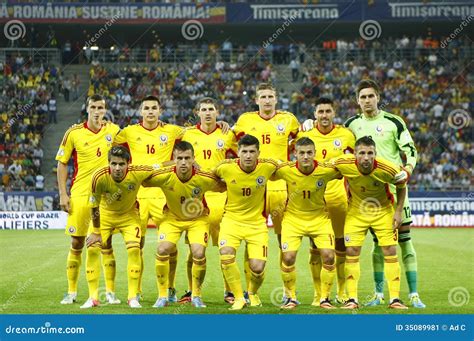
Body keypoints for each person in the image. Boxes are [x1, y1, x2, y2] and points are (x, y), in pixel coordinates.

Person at [344, 79, 424, 308]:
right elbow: (336, 144)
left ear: (378, 97)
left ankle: (414, 294)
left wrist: (407, 170)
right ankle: (379, 294)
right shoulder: (351, 125)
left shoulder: (393, 122)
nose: (367, 100)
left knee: (405, 242)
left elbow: (410, 149)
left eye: (371, 96)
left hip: (395, 189)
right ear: (357, 101)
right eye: (363, 97)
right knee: (378, 245)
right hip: (366, 194)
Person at [113, 95, 184, 303]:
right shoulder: (128, 132)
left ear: (160, 111)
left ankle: (170, 288)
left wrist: (163, 165)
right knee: (137, 243)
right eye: (147, 108)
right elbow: (108, 144)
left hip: (164, 194)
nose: (150, 111)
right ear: (141, 111)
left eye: (154, 108)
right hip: (137, 194)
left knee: (169, 244)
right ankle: (138, 289)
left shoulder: (172, 131)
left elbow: (197, 135)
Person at [233, 83, 299, 296]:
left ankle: (289, 294)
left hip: (280, 187)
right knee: (248, 238)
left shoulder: (288, 119)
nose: (267, 100)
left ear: (276, 99)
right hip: (253, 189)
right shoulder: (245, 120)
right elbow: (230, 143)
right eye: (263, 96)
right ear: (256, 100)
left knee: (284, 241)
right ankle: (249, 291)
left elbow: (304, 140)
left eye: (271, 96)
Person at [331, 136, 409, 310]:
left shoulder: (387, 168)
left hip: (382, 212)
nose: (366, 157)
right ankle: (352, 299)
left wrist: (398, 211)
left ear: (375, 153)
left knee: (390, 250)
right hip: (356, 212)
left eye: (370, 153)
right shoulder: (344, 163)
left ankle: (395, 299)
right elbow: (324, 168)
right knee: (351, 250)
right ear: (355, 154)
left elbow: (402, 185)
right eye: (362, 153)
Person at [56, 94, 120, 305]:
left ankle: (107, 292)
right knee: (76, 243)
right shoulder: (73, 132)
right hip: (80, 195)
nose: (97, 110)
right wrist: (63, 194)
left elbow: (138, 140)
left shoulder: (113, 131)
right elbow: (62, 163)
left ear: (105, 110)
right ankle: (71, 291)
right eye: (93, 106)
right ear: (87, 108)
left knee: (102, 243)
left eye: (100, 107)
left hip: (105, 197)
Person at [147, 141, 225, 308]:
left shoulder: (203, 177)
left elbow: (223, 186)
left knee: (198, 252)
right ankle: (163, 296)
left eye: (187, 158)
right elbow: (143, 180)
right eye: (179, 158)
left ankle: (196, 295)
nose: (183, 162)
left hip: (198, 220)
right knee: (162, 249)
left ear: (193, 159)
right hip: (172, 219)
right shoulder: (164, 175)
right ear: (174, 159)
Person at [296, 97, 355, 304]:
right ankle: (318, 294)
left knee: (340, 247)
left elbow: (354, 165)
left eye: (328, 111)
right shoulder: (305, 134)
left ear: (334, 112)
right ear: (314, 114)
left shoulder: (346, 135)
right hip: (314, 201)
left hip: (338, 198)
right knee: (316, 249)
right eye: (320, 111)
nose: (324, 115)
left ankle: (341, 292)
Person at [179, 97, 238, 304]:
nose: (207, 113)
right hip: (196, 201)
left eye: (211, 109)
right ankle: (192, 291)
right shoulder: (187, 134)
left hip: (222, 198)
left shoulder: (227, 134)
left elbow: (239, 160)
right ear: (198, 112)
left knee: (226, 249)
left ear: (217, 112)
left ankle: (229, 291)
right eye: (203, 109)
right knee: (194, 250)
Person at [83, 146, 156, 308]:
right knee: (93, 248)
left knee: (134, 249)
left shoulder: (138, 171)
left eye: (121, 164)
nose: (117, 168)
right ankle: (93, 297)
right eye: (113, 164)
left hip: (129, 216)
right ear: (108, 163)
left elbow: (161, 167)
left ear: (128, 164)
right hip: (104, 215)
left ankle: (132, 297)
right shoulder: (98, 177)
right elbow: (93, 206)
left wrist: (185, 164)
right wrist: (96, 232)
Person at [275, 138, 341, 309]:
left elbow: (346, 170)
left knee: (329, 256)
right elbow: (264, 168)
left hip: (319, 219)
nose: (305, 156)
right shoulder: (285, 170)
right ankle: (291, 298)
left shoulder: (326, 170)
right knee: (288, 258)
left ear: (314, 153)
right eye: (301, 153)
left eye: (309, 153)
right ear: (295, 154)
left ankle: (324, 298)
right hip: (293, 219)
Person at [215, 134, 278, 310]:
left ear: (258, 153)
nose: (248, 155)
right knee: (226, 254)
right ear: (238, 152)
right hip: (231, 221)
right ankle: (237, 298)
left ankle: (251, 292)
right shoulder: (225, 168)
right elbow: (208, 177)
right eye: (244, 151)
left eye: (252, 152)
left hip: (256, 224)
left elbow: (287, 170)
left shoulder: (268, 166)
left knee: (257, 268)